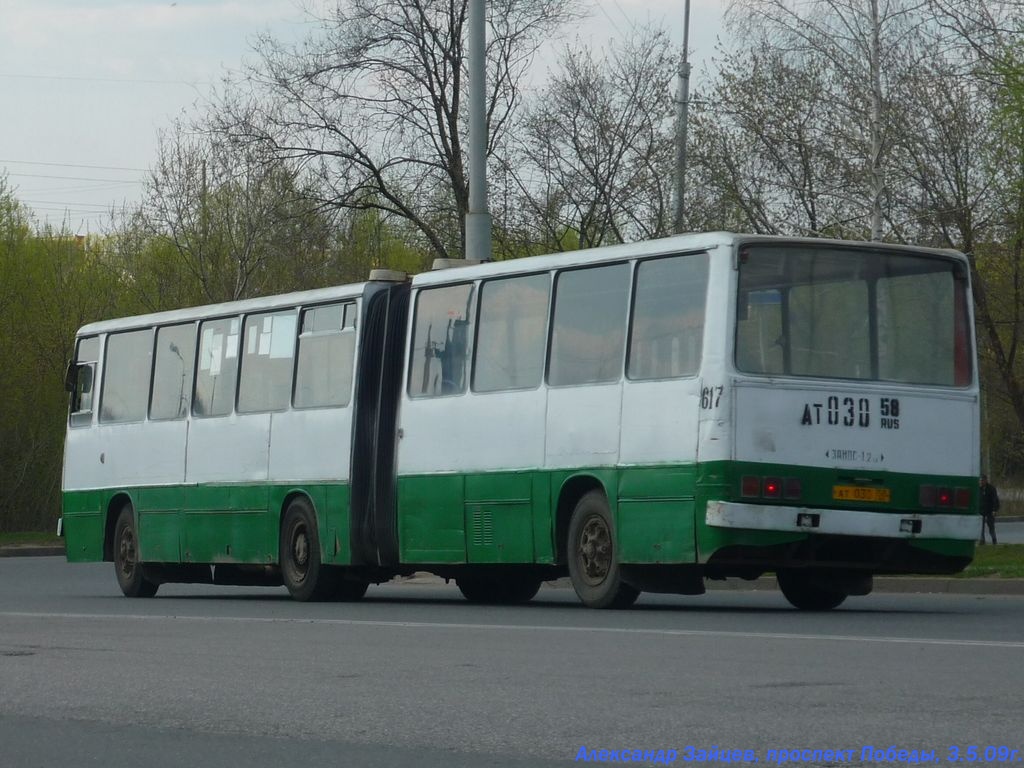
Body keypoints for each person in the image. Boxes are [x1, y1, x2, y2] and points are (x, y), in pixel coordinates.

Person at [979, 474, 999, 545]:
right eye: (980, 480)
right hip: (980, 511)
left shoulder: (991, 489)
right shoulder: (978, 489)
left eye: (982, 480)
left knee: (991, 526)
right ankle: (982, 540)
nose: (981, 482)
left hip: (989, 511)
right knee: (980, 526)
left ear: (985, 480)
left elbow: (995, 500)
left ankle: (994, 539)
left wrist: (994, 510)